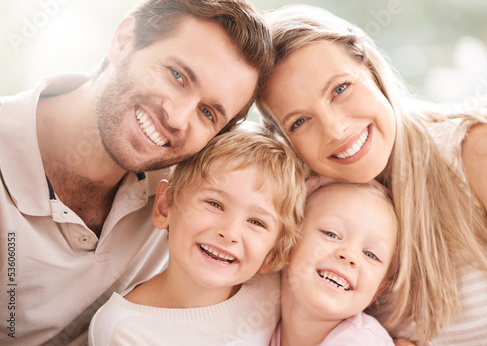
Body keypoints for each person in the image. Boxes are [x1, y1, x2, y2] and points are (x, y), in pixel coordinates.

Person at [0, 0, 273, 344]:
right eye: (177, 75)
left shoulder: (187, 197)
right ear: (124, 40)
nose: (176, 117)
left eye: (207, 113)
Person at [256, 4, 487, 345]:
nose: (336, 129)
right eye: (299, 121)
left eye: (340, 89)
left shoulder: (479, 150)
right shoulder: (305, 213)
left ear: (370, 67)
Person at [88, 124, 306, 345]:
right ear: (165, 207)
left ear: (275, 250)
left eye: (256, 222)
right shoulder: (123, 330)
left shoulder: (273, 289)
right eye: (214, 204)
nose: (230, 233)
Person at [271, 182, 398, 346]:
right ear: (289, 241)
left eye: (370, 255)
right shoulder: (261, 329)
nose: (349, 255)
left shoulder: (362, 341)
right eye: (331, 234)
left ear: (379, 290)